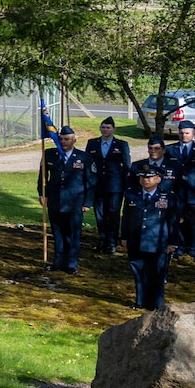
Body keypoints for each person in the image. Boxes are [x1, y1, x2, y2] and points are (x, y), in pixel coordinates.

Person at [124, 162, 175, 309]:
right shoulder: (131, 194)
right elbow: (126, 217)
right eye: (143, 177)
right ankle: (140, 301)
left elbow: (172, 222)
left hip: (157, 242)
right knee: (139, 273)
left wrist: (172, 242)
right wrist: (124, 237)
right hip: (136, 241)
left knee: (156, 275)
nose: (146, 180)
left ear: (158, 179)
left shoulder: (167, 196)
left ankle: (156, 303)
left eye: (150, 177)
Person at [41, 124, 88, 274]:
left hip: (75, 202)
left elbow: (91, 181)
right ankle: (58, 260)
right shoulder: (50, 154)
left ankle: (72, 264)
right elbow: (42, 177)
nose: (63, 142)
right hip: (55, 201)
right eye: (61, 139)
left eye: (67, 139)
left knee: (73, 234)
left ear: (74, 140)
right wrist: (42, 193)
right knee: (57, 232)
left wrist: (88, 202)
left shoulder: (83, 157)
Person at [164, 120, 195, 259]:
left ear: (193, 133)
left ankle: (192, 249)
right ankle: (178, 248)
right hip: (175, 193)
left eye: (187, 133)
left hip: (194, 193)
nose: (184, 135)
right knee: (177, 221)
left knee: (191, 222)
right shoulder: (169, 150)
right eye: (181, 133)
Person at [85, 117, 131, 254]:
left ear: (113, 129)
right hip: (97, 185)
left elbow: (127, 166)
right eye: (103, 127)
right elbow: (88, 164)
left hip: (115, 186)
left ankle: (112, 241)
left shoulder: (121, 144)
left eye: (108, 128)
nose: (105, 130)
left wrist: (127, 184)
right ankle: (102, 239)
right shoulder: (92, 143)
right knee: (100, 214)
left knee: (113, 214)